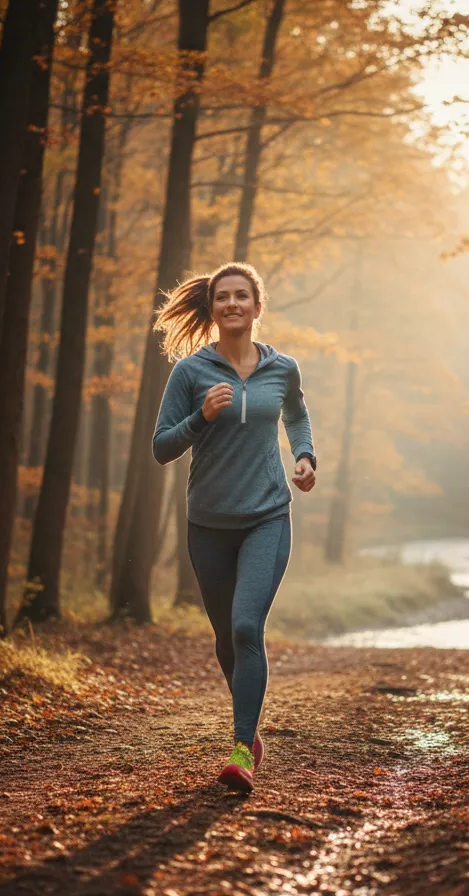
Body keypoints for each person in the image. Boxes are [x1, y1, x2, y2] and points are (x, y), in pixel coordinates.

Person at [151, 261, 317, 793]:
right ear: (212, 307)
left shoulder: (282, 367)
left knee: (247, 627)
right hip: (208, 523)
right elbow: (161, 448)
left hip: (267, 514)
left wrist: (307, 455)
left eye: (241, 296)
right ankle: (249, 723)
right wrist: (200, 417)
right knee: (226, 638)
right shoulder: (191, 372)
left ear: (257, 305)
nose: (232, 305)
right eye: (223, 297)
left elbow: (295, 413)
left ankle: (242, 747)